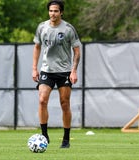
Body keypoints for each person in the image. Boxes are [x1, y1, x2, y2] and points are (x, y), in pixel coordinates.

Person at [32, 0, 81, 148]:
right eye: (51, 11)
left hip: (64, 71)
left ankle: (66, 139)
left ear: (61, 12)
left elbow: (77, 51)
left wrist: (73, 71)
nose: (53, 13)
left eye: (56, 11)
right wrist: (34, 68)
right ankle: (44, 135)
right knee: (42, 100)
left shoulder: (68, 29)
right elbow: (37, 47)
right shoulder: (42, 27)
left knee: (64, 104)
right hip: (47, 70)